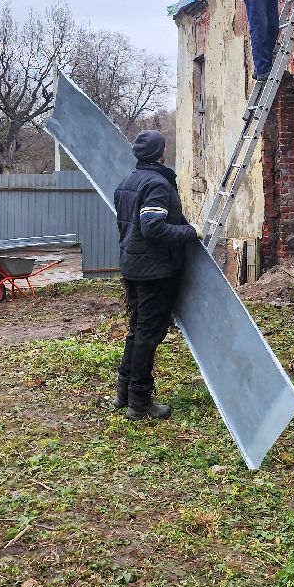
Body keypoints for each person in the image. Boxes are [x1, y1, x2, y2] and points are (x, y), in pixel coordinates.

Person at [113, 130, 199, 420]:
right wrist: (189, 232)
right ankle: (139, 403)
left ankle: (123, 391)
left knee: (138, 330)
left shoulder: (128, 182)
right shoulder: (157, 184)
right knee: (148, 334)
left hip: (133, 267)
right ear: (160, 153)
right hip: (154, 271)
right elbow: (152, 228)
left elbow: (128, 229)